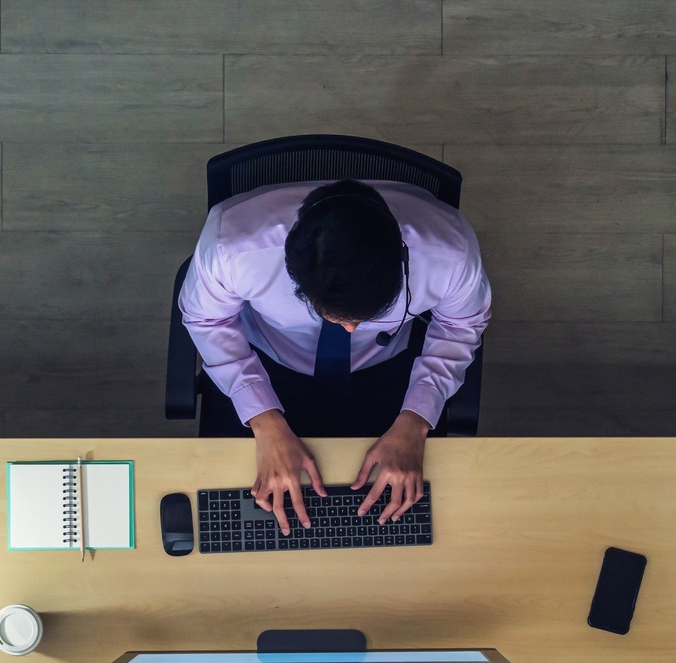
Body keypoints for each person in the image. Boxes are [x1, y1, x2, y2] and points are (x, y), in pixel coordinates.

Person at [179, 179, 491, 535]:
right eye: (337, 317)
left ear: (402, 260)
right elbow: (207, 318)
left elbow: (461, 323)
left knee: (411, 515)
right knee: (237, 515)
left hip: (386, 365)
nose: (350, 330)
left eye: (366, 316)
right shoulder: (232, 246)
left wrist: (416, 419)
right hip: (265, 363)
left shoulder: (450, 252)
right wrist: (264, 420)